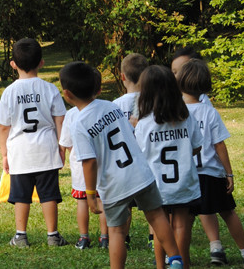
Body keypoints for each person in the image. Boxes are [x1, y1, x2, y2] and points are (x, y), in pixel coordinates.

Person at [60, 61, 184, 269]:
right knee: (156, 214)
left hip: (113, 184)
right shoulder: (111, 106)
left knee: (116, 230)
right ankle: (175, 258)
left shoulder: (79, 124)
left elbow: (89, 162)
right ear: (98, 88)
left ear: (67, 95)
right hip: (140, 173)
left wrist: (90, 194)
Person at [177, 59, 244, 268]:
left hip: (187, 175)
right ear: (206, 86)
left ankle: (179, 258)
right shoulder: (209, 111)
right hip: (211, 174)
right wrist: (229, 174)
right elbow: (219, 145)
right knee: (227, 212)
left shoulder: (176, 113)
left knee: (184, 221)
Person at [0, 38, 68, 248]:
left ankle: (20, 236)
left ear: (13, 64)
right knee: (49, 194)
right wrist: (62, 147)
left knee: (21, 196)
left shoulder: (9, 92)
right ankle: (53, 235)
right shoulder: (50, 89)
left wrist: (4, 154)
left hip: (20, 152)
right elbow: (60, 120)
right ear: (41, 63)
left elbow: (3, 127)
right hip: (46, 149)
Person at [134, 65, 202, 268]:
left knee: (159, 226)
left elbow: (140, 155)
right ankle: (182, 264)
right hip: (184, 181)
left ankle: (160, 266)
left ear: (145, 92)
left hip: (156, 184)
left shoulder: (144, 124)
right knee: (181, 224)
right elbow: (196, 148)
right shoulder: (186, 117)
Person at [60, 67, 109, 249]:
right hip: (104, 165)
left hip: (81, 167)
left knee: (82, 202)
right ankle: (105, 238)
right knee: (103, 200)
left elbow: (66, 142)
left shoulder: (72, 115)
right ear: (99, 89)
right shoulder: (105, 108)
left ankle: (84, 238)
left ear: (69, 94)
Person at [112, 53, 149, 249]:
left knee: (125, 204)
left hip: (124, 161)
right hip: (147, 160)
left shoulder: (115, 104)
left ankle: (123, 238)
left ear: (123, 76)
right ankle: (154, 239)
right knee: (153, 205)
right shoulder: (152, 101)